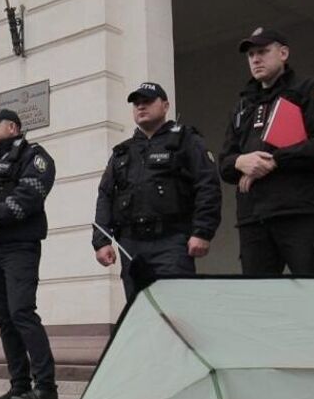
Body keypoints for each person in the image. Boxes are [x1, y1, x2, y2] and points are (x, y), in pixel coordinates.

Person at [217, 27, 314, 275]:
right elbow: (224, 164)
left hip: (299, 213)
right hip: (253, 218)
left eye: (263, 51)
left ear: (283, 53)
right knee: (261, 303)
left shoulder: (308, 90)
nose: (255, 59)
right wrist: (241, 161)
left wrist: (275, 160)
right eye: (251, 54)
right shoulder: (243, 106)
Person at [94, 81, 222, 301]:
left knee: (177, 309)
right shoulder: (122, 152)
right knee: (139, 309)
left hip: (172, 241)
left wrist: (202, 231)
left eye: (147, 101)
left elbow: (207, 185)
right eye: (137, 104)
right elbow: (105, 195)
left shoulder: (186, 140)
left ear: (165, 105)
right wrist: (102, 240)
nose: (141, 107)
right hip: (131, 244)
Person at [0, 109, 59, 399]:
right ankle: (19, 386)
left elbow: (31, 194)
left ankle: (46, 387)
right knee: (4, 318)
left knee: (22, 312)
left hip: (20, 246)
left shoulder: (34, 155)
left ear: (14, 126)